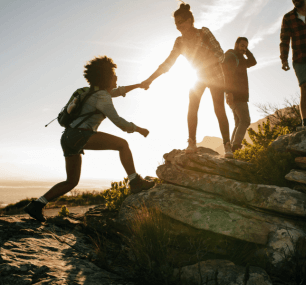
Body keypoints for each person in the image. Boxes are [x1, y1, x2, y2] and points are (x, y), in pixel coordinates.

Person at [24, 56, 155, 222]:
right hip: (81, 135)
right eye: (114, 76)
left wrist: (138, 85)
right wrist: (138, 129)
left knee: (71, 181)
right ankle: (135, 181)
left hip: (68, 137)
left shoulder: (87, 92)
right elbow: (118, 121)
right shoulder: (102, 97)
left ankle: (36, 205)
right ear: (106, 77)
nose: (116, 79)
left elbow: (116, 91)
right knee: (123, 144)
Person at [140, 2, 233, 158]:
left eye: (181, 22)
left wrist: (206, 62)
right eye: (176, 23)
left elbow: (220, 54)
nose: (178, 26)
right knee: (192, 107)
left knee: (219, 109)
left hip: (215, 75)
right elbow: (167, 63)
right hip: (197, 76)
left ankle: (227, 145)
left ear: (190, 20)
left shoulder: (204, 32)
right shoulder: (179, 42)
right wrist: (150, 79)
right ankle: (191, 142)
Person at [224, 37, 257, 152]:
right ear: (236, 44)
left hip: (240, 95)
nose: (244, 48)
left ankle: (231, 148)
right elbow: (227, 74)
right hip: (234, 94)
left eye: (246, 46)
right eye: (242, 45)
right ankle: (235, 147)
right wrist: (228, 92)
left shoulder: (241, 59)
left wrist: (245, 51)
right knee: (245, 120)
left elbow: (253, 62)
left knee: (239, 122)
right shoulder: (231, 55)